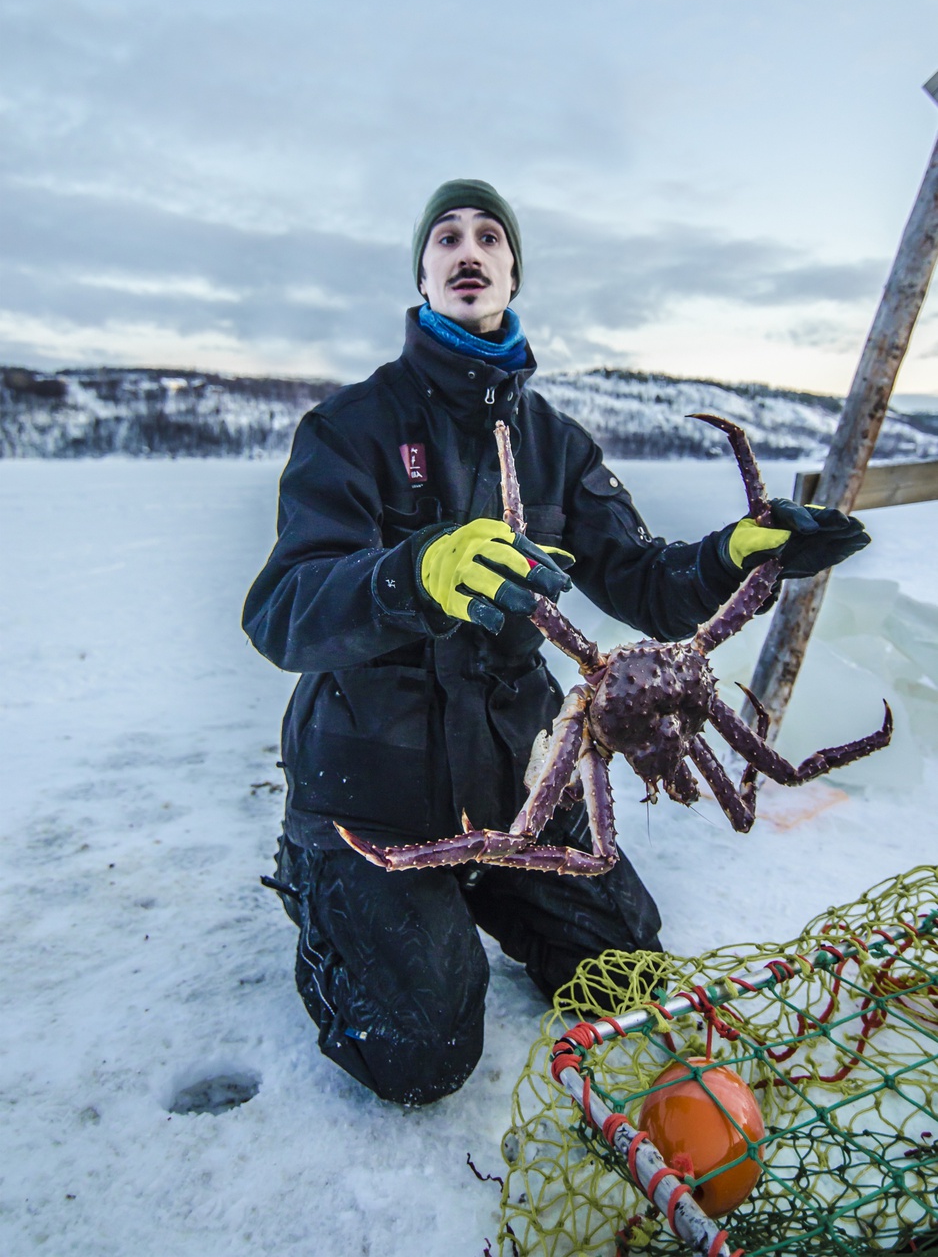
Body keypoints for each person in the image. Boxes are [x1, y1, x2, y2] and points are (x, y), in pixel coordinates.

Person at [242, 178, 868, 1106]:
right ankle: (324, 881)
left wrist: (735, 555)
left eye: (489, 237)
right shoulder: (352, 428)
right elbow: (283, 609)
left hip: (519, 777)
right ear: (422, 272)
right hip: (371, 790)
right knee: (417, 1056)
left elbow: (646, 582)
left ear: (511, 272)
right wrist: (409, 575)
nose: (468, 249)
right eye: (447, 236)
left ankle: (483, 888)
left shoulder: (555, 443)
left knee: (628, 981)